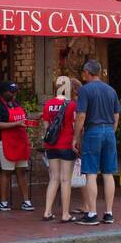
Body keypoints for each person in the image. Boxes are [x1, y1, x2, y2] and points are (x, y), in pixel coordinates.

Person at [72, 60, 121, 225]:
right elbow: (116, 116)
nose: (82, 75)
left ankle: (92, 214)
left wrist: (76, 137)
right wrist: (110, 131)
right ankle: (109, 213)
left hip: (93, 130)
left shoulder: (85, 90)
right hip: (109, 131)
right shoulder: (111, 90)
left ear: (87, 72)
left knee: (91, 173)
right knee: (108, 173)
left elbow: (81, 116)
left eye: (83, 72)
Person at [0, 81, 33, 211]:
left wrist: (33, 119)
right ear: (3, 92)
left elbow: (23, 118)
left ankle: (26, 201)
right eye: (11, 91)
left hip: (19, 141)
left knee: (22, 171)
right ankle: (3, 202)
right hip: (4, 141)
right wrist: (16, 124)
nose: (14, 94)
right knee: (6, 171)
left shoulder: (16, 104)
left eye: (15, 91)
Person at [41, 76, 79, 223]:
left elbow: (46, 127)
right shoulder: (72, 105)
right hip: (67, 144)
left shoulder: (48, 104)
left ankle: (47, 212)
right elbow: (76, 125)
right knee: (65, 180)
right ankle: (65, 214)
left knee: (53, 179)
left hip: (51, 146)